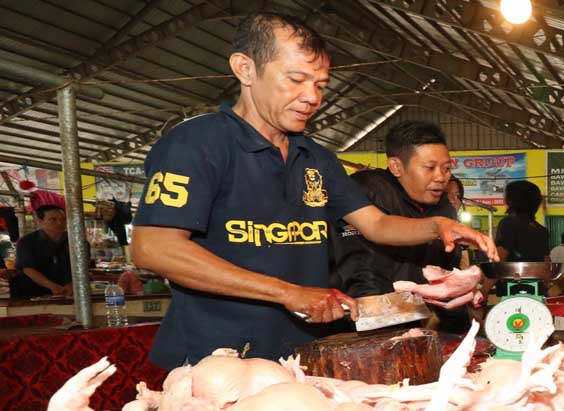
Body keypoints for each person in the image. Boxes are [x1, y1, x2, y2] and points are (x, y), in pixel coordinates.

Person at [131, 13, 494, 369]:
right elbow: (154, 248)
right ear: (245, 69)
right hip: (216, 357)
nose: (312, 97)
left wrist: (438, 227)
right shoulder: (196, 144)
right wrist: (286, 292)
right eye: (296, 79)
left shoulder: (315, 157)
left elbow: (377, 225)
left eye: (320, 85)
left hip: (302, 355)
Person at [330, 120, 461, 299]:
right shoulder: (368, 191)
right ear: (396, 167)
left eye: (447, 168)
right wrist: (380, 316)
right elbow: (359, 268)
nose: (441, 177)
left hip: (423, 317)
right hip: (367, 315)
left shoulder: (444, 208)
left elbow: (448, 268)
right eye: (430, 168)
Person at [10, 205, 83, 299]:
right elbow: (27, 268)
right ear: (40, 221)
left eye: (63, 219)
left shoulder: (78, 241)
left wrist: (72, 284)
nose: (60, 223)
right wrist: (52, 286)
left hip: (69, 292)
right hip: (33, 292)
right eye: (53, 219)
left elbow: (82, 267)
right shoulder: (27, 241)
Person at [496, 181, 549, 263]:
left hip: (514, 274)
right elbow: (546, 260)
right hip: (536, 274)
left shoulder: (508, 223)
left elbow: (501, 255)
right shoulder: (542, 230)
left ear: (511, 200)